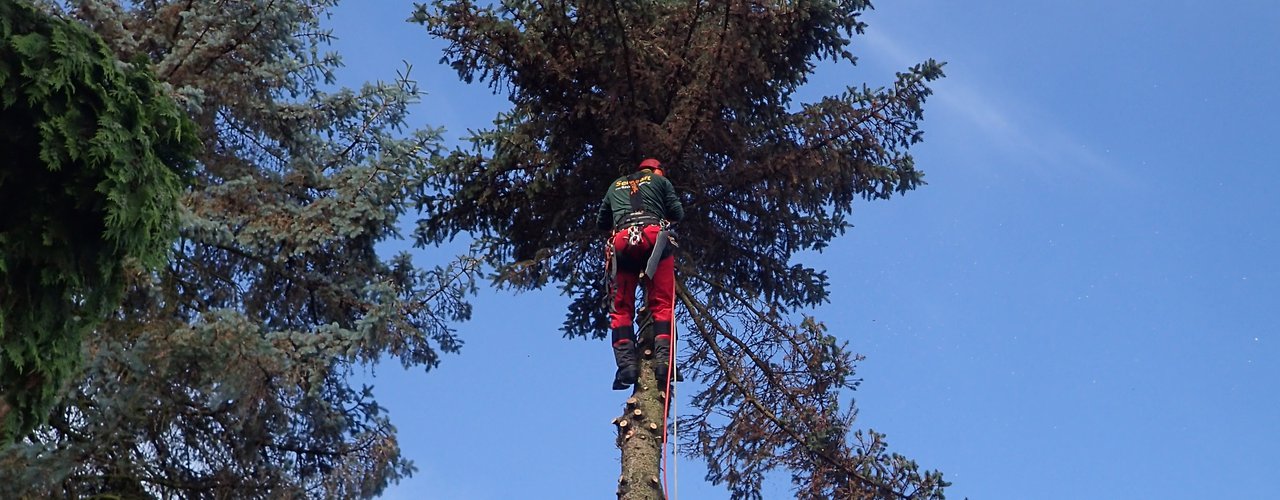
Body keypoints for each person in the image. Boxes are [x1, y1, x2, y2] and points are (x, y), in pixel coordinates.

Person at [597, 158, 684, 390]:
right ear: (656, 171)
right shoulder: (660, 181)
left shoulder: (615, 185)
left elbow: (602, 221)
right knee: (663, 303)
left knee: (621, 308)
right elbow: (678, 212)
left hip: (622, 242)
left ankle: (627, 366)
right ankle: (664, 362)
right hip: (654, 238)